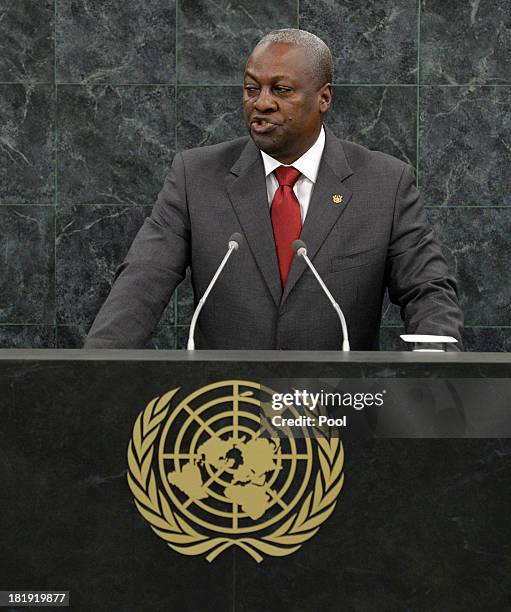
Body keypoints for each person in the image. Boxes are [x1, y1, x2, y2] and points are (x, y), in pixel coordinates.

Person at [84, 29, 463, 351]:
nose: (261, 103)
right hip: (226, 412)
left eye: (281, 90)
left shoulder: (385, 183)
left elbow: (428, 290)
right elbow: (140, 284)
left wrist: (431, 374)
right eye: (252, 88)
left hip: (339, 413)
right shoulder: (195, 176)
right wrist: (93, 372)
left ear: (324, 98)